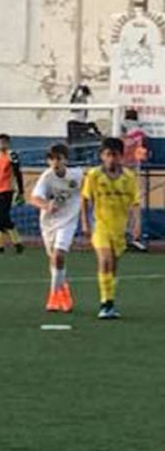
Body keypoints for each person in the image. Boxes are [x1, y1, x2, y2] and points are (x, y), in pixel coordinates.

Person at [81, 137, 140, 320]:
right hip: (101, 226)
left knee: (113, 266)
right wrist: (85, 222)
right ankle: (106, 303)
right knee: (105, 260)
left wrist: (136, 224)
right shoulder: (94, 175)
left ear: (121, 157)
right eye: (107, 155)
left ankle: (110, 300)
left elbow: (135, 203)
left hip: (119, 229)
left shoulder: (129, 177)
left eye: (114, 155)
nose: (111, 159)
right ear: (101, 156)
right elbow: (85, 199)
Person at [28, 143, 82, 313]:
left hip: (68, 220)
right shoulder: (46, 177)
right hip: (49, 223)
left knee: (59, 255)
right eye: (52, 159)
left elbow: (91, 185)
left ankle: (53, 296)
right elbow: (34, 198)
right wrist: (46, 205)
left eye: (59, 158)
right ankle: (63, 290)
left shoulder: (77, 175)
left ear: (65, 159)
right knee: (53, 259)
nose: (55, 162)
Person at [0, 134, 25, 253]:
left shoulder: (11, 155)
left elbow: (18, 172)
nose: (1, 145)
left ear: (8, 143)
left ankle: (10, 244)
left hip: (7, 190)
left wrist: (21, 191)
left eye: (3, 142)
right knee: (1, 219)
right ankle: (4, 245)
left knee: (3, 217)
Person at [121, 109, 149, 252]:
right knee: (133, 204)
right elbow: (143, 154)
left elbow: (141, 153)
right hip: (131, 171)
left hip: (124, 171)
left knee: (129, 204)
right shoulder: (139, 133)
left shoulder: (123, 131)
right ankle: (132, 236)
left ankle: (130, 236)